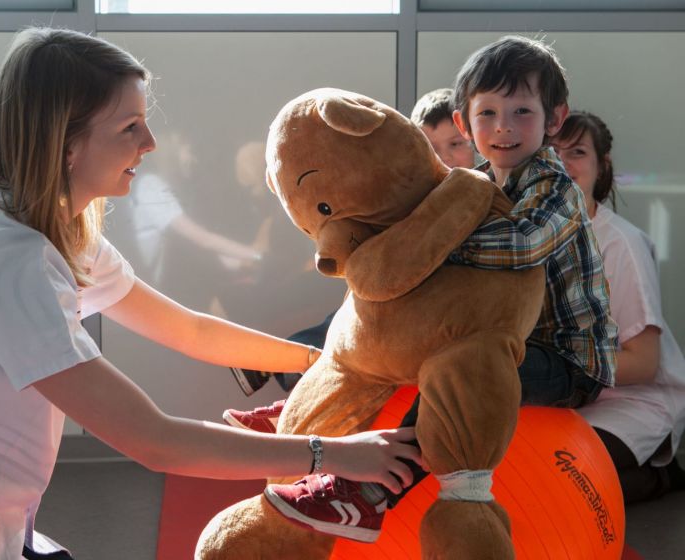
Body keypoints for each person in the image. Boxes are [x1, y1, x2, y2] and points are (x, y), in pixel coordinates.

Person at [0, 27, 422, 560]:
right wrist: (331, 453)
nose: (149, 143)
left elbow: (190, 330)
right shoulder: (4, 263)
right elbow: (154, 441)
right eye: (129, 127)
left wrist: (327, 368)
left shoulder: (56, 231)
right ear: (65, 144)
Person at [262, 35, 618, 543]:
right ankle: (308, 413)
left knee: (452, 378)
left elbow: (522, 245)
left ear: (553, 120)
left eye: (522, 112)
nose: (503, 127)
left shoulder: (554, 187)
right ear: (463, 124)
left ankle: (368, 492)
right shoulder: (472, 182)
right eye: (488, 112)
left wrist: (429, 245)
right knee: (381, 335)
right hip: (497, 338)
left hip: (564, 360)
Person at [224, 87, 477, 407]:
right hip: (398, 308)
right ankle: (289, 377)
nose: (445, 157)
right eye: (432, 147)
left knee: (361, 321)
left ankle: (289, 371)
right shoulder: (411, 202)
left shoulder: (478, 192)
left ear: (474, 142)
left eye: (455, 145)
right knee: (353, 309)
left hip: (443, 316)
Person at [551, 110, 685, 504]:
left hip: (632, 400)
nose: (561, 164)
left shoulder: (620, 243)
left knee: (562, 484)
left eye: (576, 152)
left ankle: (659, 478)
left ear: (601, 166)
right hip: (568, 401)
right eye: (551, 152)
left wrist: (553, 371)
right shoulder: (531, 238)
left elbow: (643, 363)